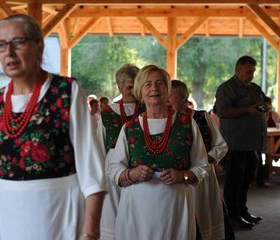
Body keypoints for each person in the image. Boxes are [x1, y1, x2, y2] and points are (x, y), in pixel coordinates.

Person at [0, 14, 106, 240]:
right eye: (1, 45)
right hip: (7, 215)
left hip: (60, 212)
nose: (8, 52)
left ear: (38, 47)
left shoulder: (66, 92)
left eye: (17, 42)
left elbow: (91, 169)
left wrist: (90, 231)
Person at [109, 65, 209, 240]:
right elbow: (114, 170)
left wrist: (183, 176)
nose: (154, 88)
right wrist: (132, 174)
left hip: (175, 208)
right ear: (140, 92)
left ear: (167, 89)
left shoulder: (187, 124)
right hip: (137, 209)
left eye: (159, 83)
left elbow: (202, 165)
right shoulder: (129, 128)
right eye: (148, 84)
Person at [169, 80, 232, 240]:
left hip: (203, 177)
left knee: (203, 214)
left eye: (170, 96)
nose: (166, 100)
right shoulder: (167, 121)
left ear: (183, 97)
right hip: (179, 178)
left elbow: (221, 146)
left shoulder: (202, 117)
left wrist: (202, 161)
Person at [215, 55, 268, 229]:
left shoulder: (254, 88)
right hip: (235, 142)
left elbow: (263, 100)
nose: (252, 74)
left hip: (252, 142)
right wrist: (247, 110)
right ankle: (232, 216)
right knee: (234, 180)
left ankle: (242, 211)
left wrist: (266, 104)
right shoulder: (227, 88)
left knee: (248, 178)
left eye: (253, 71)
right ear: (238, 70)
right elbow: (222, 111)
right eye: (248, 71)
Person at [96, 63, 144, 239]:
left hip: (141, 165)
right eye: (129, 87)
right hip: (114, 167)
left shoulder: (148, 110)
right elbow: (100, 146)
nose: (132, 91)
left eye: (135, 87)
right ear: (120, 87)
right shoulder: (107, 114)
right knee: (114, 211)